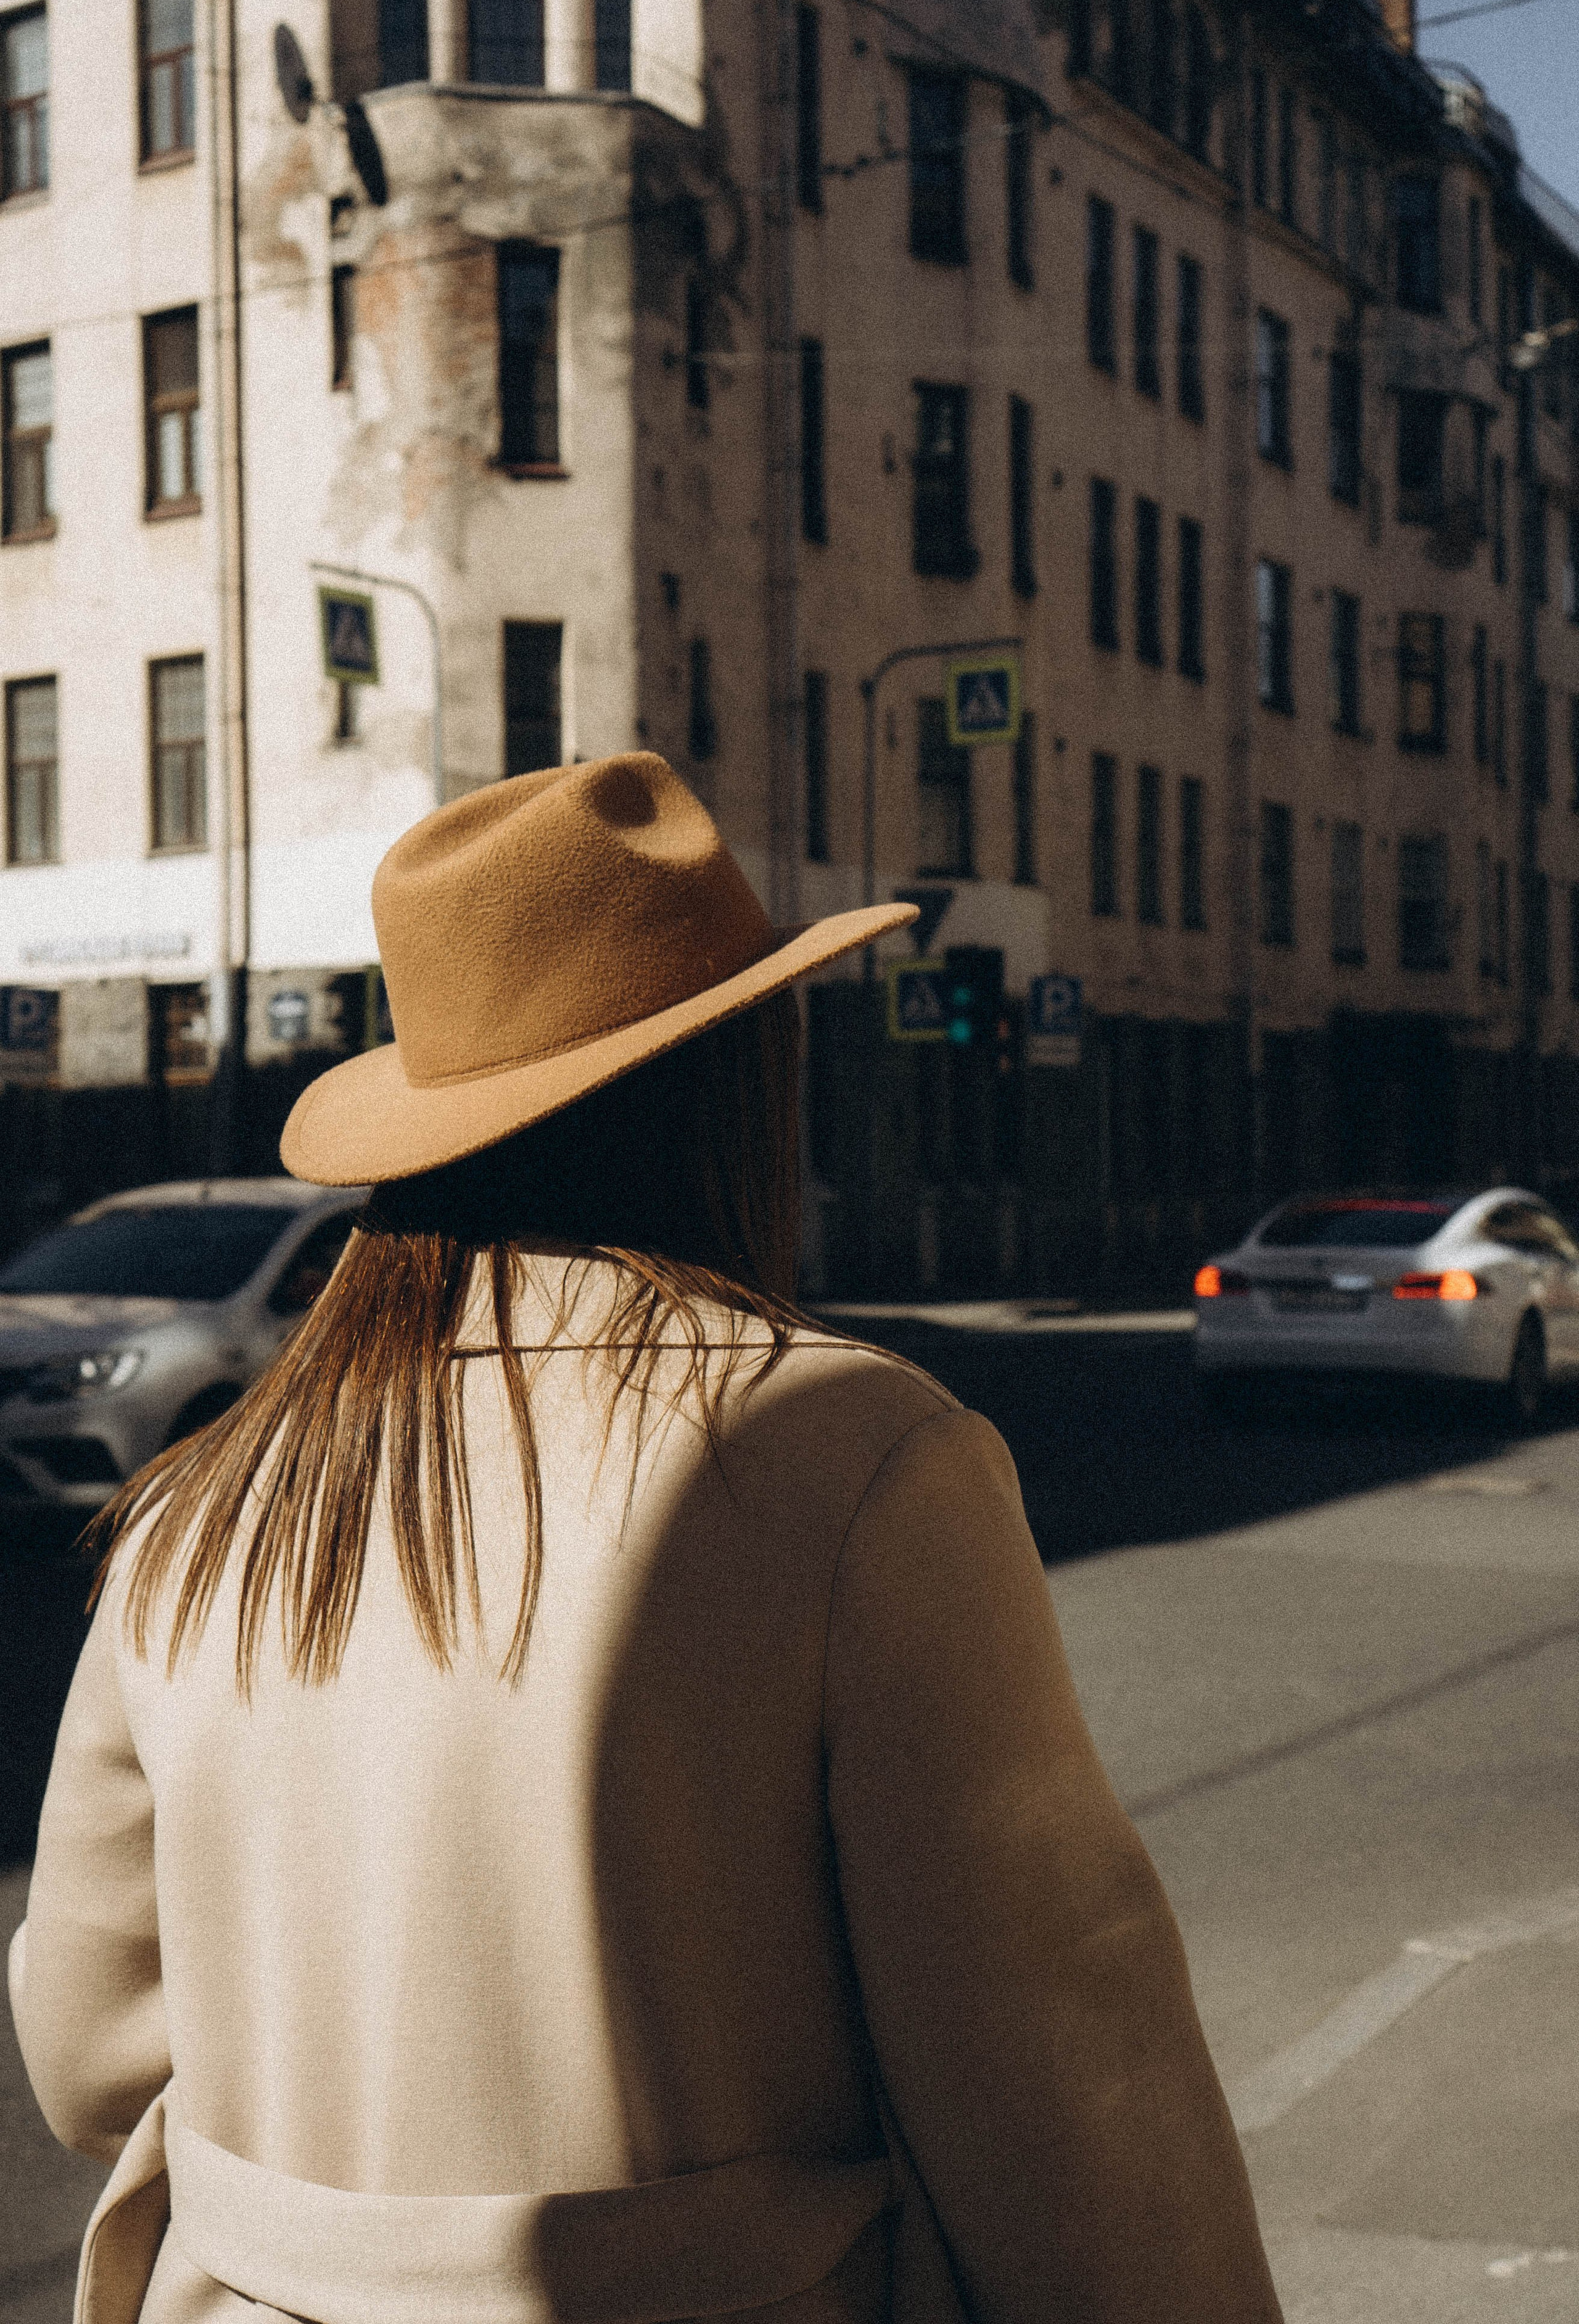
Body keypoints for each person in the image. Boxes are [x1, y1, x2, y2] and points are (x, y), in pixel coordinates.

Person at [10, 754, 1282, 2324]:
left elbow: (86, 2057)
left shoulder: (204, 1508)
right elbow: (1062, 2074)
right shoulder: (856, 1459)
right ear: (736, 1084)